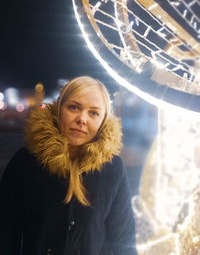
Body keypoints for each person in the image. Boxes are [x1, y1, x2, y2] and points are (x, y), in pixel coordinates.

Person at [0, 76, 137, 255]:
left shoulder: (112, 168)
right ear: (59, 109)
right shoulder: (26, 162)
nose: (82, 119)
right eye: (74, 107)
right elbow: (6, 236)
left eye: (94, 113)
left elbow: (123, 240)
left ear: (103, 121)